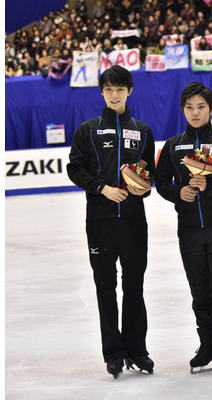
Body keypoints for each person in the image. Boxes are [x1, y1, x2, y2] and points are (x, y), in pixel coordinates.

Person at [67, 65, 155, 379]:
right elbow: (75, 170)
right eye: (109, 89)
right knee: (106, 287)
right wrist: (102, 188)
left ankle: (137, 350)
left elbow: (149, 177)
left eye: (120, 89)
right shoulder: (88, 130)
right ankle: (114, 354)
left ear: (129, 90)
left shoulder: (143, 131)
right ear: (102, 92)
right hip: (100, 220)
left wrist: (140, 188)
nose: (114, 94)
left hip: (133, 222)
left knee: (134, 286)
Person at [155, 82, 212, 374]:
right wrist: (177, 192)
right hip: (189, 229)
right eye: (190, 107)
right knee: (199, 291)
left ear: (210, 109)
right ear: (183, 109)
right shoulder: (172, 146)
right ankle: (206, 345)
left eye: (201, 107)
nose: (195, 113)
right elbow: (161, 181)